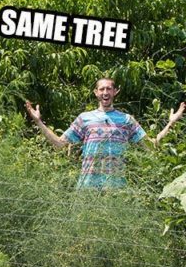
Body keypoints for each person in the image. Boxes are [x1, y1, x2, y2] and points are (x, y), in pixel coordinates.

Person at [25, 77, 185, 189]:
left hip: (116, 188)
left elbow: (152, 146)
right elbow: (59, 145)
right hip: (87, 187)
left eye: (109, 88)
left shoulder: (127, 120)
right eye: (101, 89)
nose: (105, 92)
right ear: (96, 92)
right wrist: (38, 121)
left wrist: (171, 122)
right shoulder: (84, 119)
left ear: (115, 91)